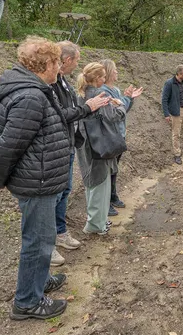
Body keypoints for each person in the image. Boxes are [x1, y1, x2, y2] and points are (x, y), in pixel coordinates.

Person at [0, 36, 71, 320]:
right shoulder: (31, 96)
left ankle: (40, 279)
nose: (59, 69)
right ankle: (28, 301)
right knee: (39, 241)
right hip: (37, 183)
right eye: (57, 62)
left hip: (39, 178)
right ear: (46, 63)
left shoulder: (30, 90)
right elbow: (7, 145)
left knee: (41, 238)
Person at [49, 42, 110, 267]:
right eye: (76, 60)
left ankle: (60, 232)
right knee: (53, 195)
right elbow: (60, 114)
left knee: (64, 191)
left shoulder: (62, 81)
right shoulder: (50, 83)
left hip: (68, 143)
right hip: (57, 146)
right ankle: (48, 244)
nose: (78, 65)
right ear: (66, 60)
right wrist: (88, 107)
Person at [75, 62, 125, 235]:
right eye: (103, 76)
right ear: (96, 78)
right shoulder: (99, 94)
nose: (105, 79)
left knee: (92, 182)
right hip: (99, 144)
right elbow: (113, 116)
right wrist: (121, 105)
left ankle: (99, 220)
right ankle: (96, 225)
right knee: (100, 183)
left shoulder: (81, 94)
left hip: (85, 142)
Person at [97, 59, 143, 216]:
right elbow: (114, 112)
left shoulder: (115, 90)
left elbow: (123, 110)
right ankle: (106, 202)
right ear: (108, 71)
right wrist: (126, 99)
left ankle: (113, 195)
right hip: (110, 137)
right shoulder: (103, 91)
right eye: (115, 69)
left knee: (114, 169)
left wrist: (129, 99)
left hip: (119, 135)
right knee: (108, 170)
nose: (117, 72)